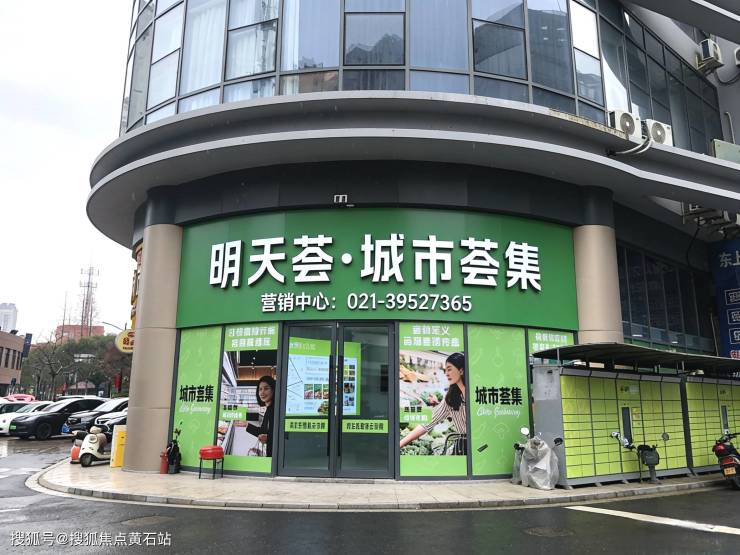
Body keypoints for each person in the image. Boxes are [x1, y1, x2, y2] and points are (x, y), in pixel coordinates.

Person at [400, 353, 466, 453]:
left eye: (449, 369)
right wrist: (400, 444)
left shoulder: (476, 394)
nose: (446, 373)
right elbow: (427, 424)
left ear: (461, 370)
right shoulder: (450, 399)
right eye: (446, 370)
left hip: (479, 443)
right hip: (462, 447)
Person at [246, 375, 275, 457]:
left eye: (266, 388)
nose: (262, 392)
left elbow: (281, 436)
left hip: (274, 458)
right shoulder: (269, 409)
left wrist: (268, 438)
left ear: (273, 390)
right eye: (260, 389)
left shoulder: (275, 410)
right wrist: (247, 425)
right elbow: (264, 431)